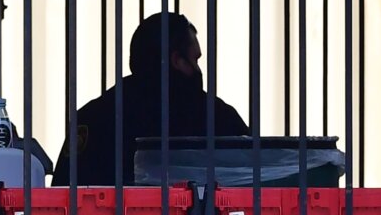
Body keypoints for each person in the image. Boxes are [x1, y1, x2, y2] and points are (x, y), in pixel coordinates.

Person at [52, 11, 248, 185]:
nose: (198, 68)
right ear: (177, 60)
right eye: (195, 59)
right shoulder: (217, 117)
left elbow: (62, 191)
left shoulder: (94, 117)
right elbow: (259, 180)